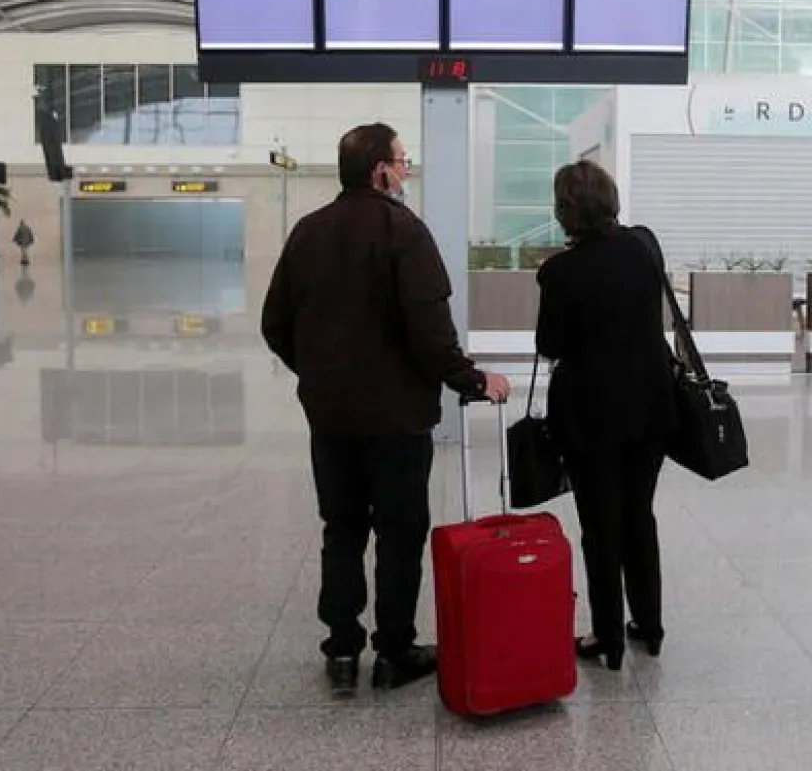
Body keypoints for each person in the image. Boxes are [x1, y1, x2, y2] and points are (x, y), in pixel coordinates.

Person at [261, 122, 511, 697]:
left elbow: (274, 323)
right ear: (379, 170)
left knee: (341, 527)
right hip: (398, 420)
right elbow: (431, 332)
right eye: (402, 162)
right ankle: (395, 650)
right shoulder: (405, 231)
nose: (406, 171)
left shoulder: (307, 232)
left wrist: (320, 374)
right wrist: (472, 379)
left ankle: (343, 649)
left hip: (331, 417)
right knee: (400, 531)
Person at [535, 160, 674, 672]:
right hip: (651, 405)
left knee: (600, 524)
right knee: (639, 513)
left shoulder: (561, 272)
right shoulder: (644, 248)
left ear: (565, 210)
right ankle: (651, 626)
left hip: (589, 413)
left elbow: (549, 345)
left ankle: (608, 637)